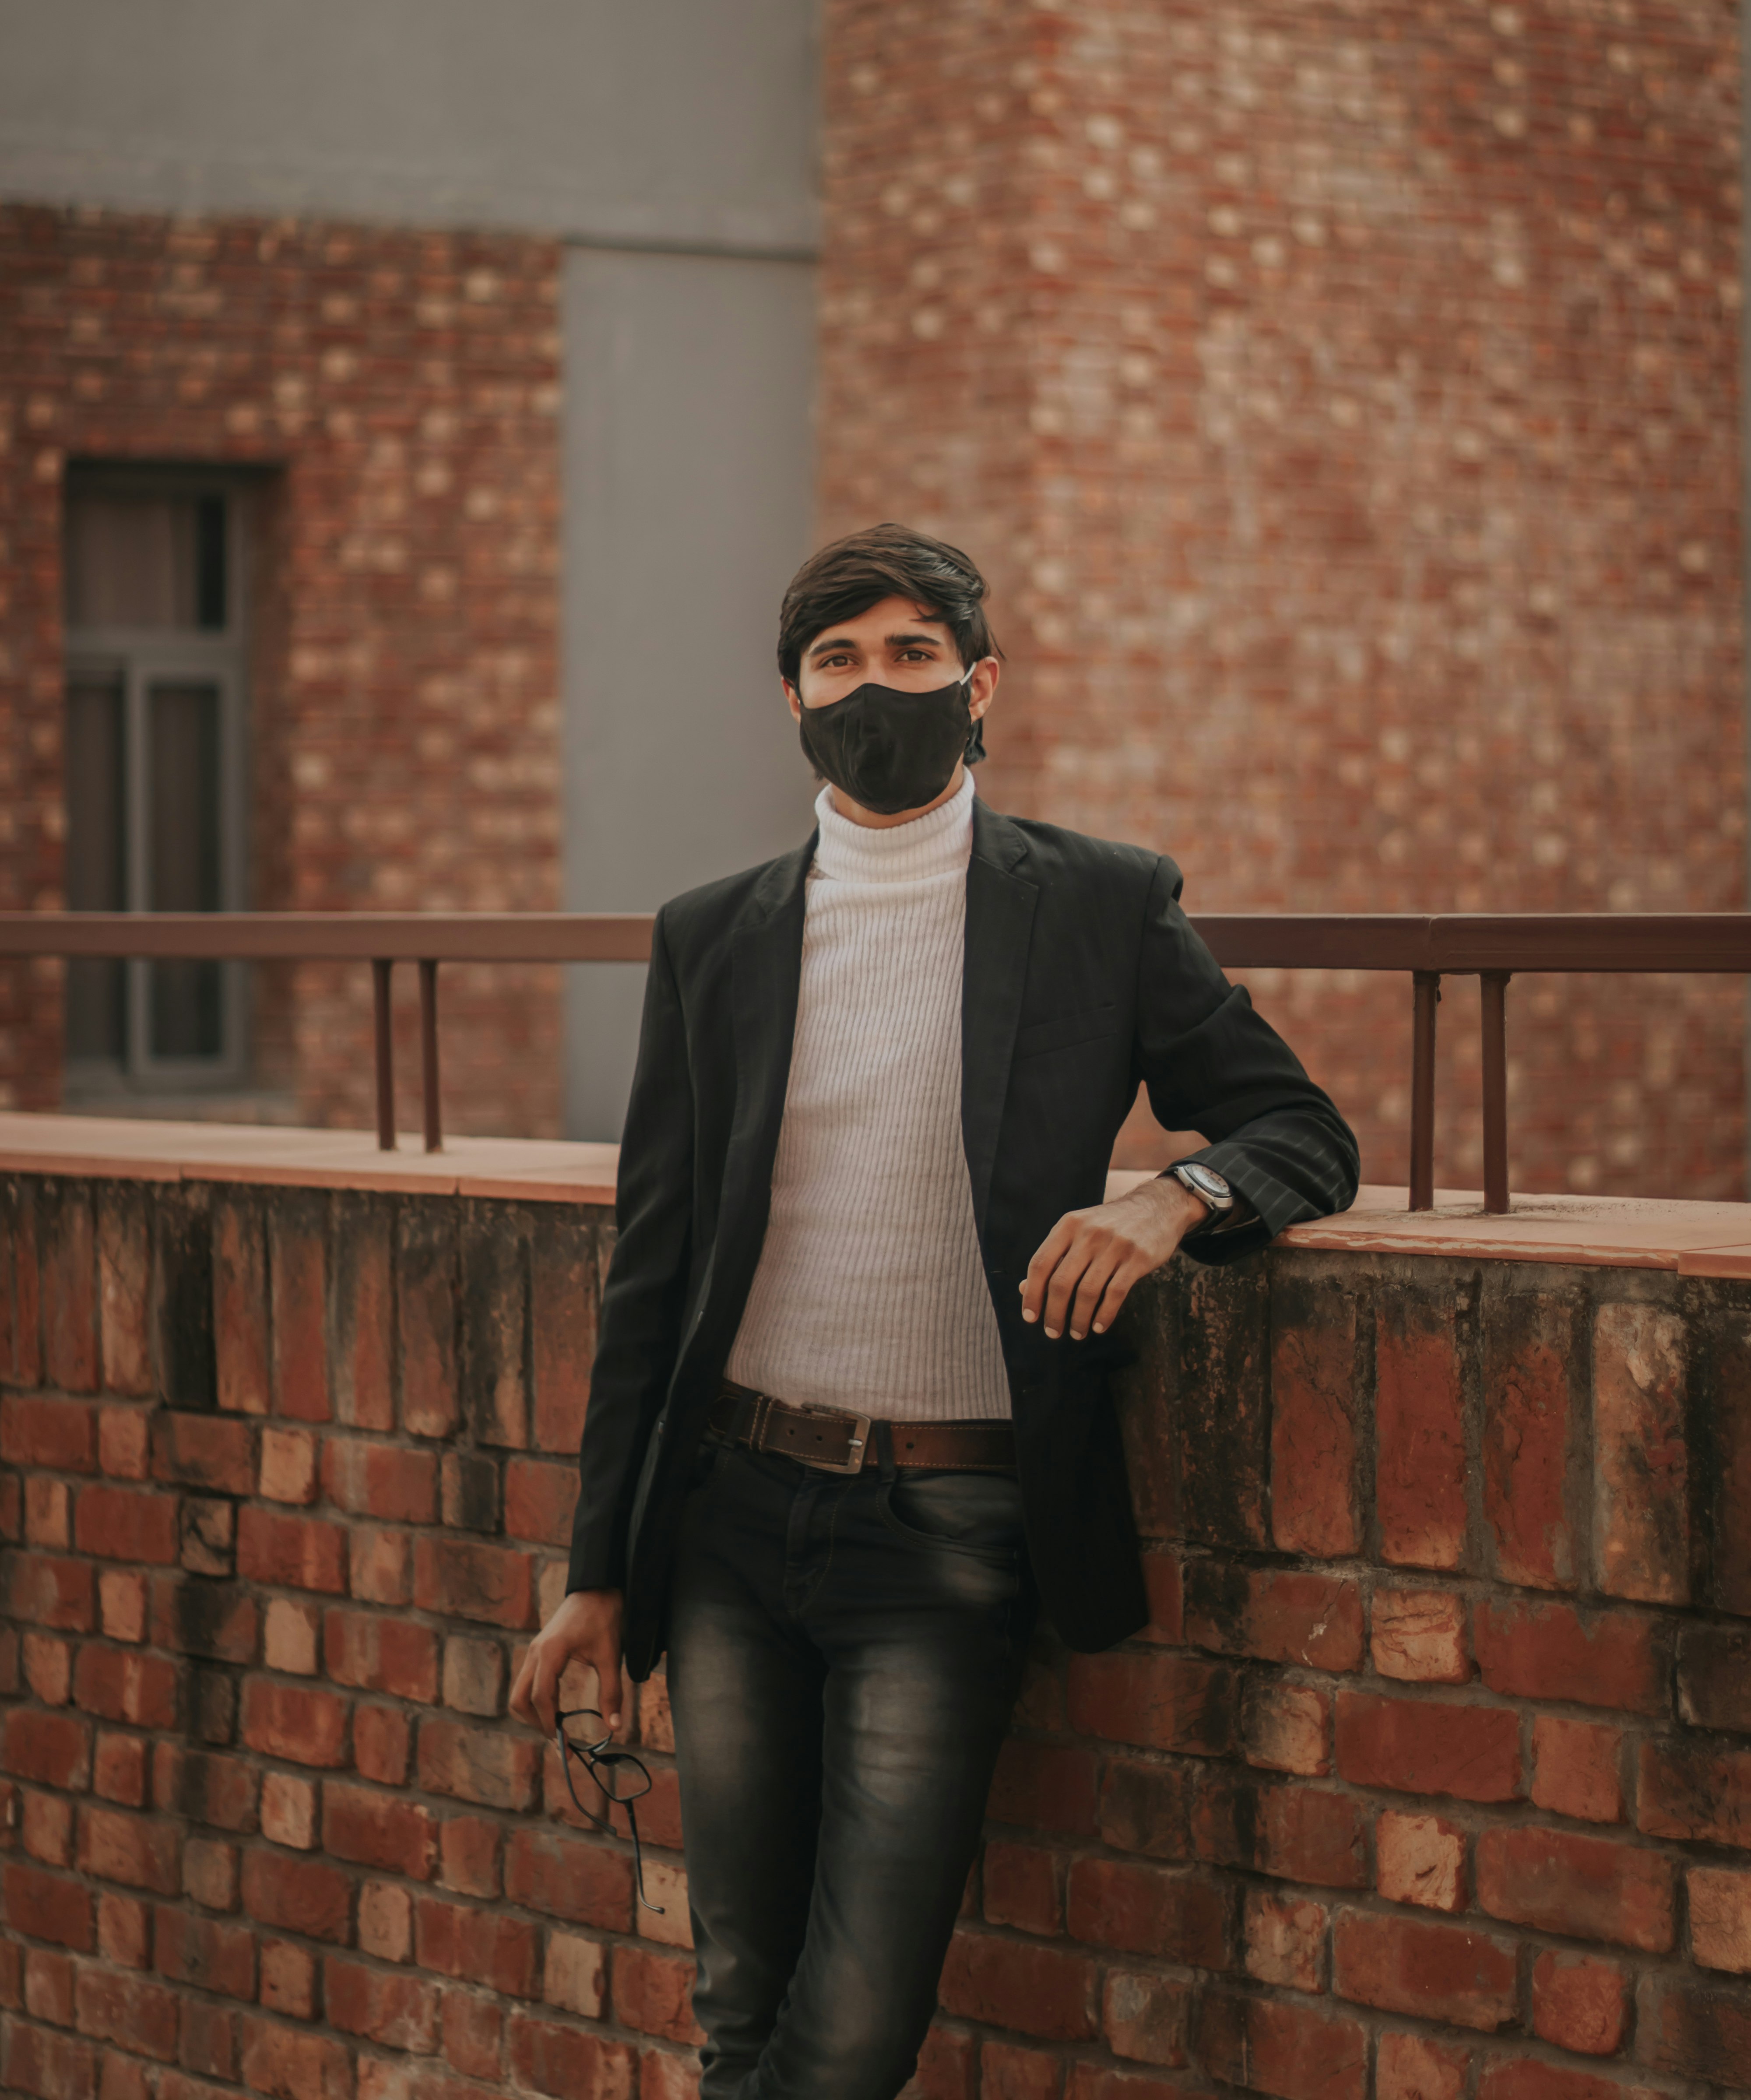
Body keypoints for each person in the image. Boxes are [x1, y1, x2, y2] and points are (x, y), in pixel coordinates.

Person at [509, 523, 1359, 2100]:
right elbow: (654, 1268)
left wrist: (1170, 1198)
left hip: (953, 1527)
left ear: (980, 687)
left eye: (911, 654)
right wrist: (600, 1569)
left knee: (846, 2041)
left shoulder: (1103, 906)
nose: (873, 684)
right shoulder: (713, 937)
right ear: (792, 700)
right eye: (839, 659)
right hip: (729, 1531)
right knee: (740, 2003)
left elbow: (1305, 1130)